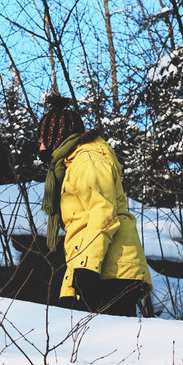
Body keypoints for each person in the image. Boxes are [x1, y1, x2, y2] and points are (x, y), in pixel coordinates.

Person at [38, 97, 152, 316]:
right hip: (96, 267)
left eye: (43, 138)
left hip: (109, 273)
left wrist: (87, 266)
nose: (41, 146)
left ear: (56, 137)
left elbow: (102, 213)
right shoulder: (73, 164)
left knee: (104, 347)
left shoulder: (88, 160)